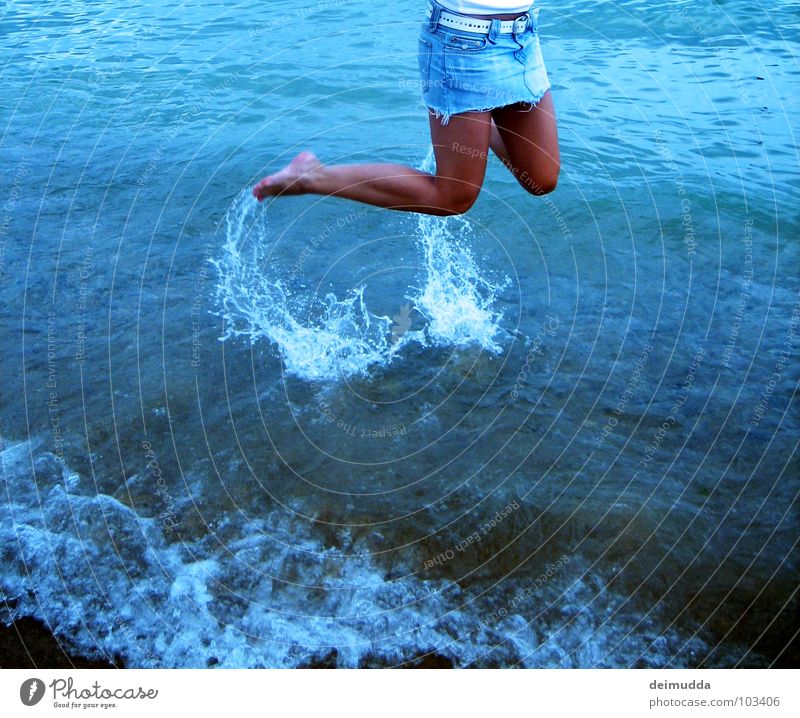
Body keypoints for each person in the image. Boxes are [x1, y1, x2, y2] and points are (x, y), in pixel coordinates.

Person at [252, 0, 560, 217]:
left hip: (523, 37)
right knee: (454, 197)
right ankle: (313, 175)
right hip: (462, 43)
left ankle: (478, 122)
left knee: (542, 178)